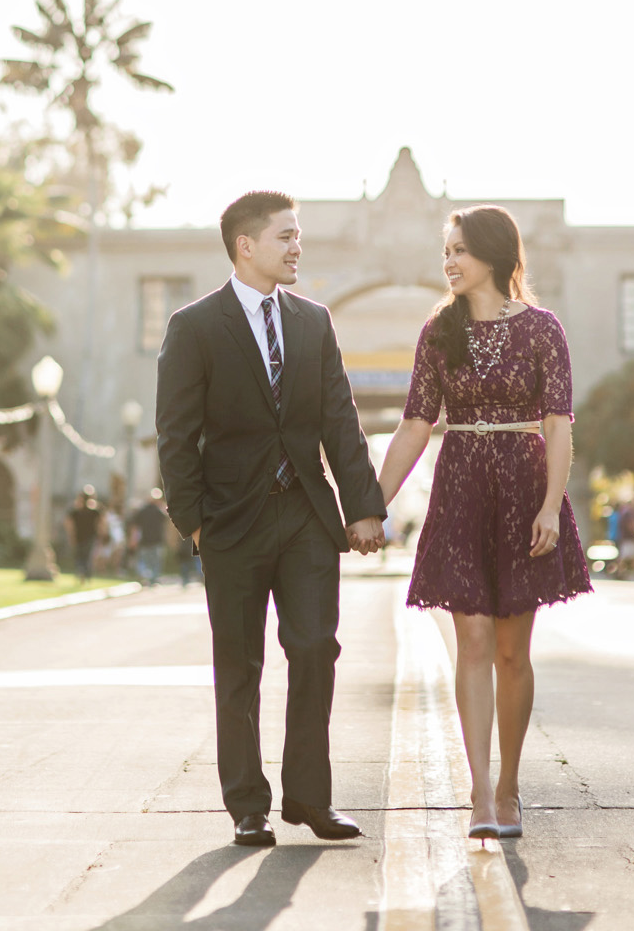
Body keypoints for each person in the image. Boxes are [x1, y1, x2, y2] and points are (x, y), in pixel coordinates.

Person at [156, 190, 386, 849]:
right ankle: (247, 806)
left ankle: (310, 800)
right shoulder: (195, 325)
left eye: (299, 235)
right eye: (285, 236)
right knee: (240, 667)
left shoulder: (314, 321)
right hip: (231, 524)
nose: (297, 247)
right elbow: (175, 435)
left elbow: (341, 418)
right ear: (246, 245)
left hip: (308, 520)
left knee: (315, 648)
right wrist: (194, 522)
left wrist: (363, 505)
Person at [377, 205, 591, 843]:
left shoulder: (542, 330)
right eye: (446, 249)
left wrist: (552, 503)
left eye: (461, 249)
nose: (449, 261)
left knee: (510, 651)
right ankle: (478, 795)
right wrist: (370, 502)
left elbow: (558, 423)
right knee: (470, 645)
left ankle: (510, 787)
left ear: (495, 255)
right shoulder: (438, 332)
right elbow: (416, 422)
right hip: (463, 488)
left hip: (525, 492)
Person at [130, 488, 169, 586]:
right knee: (154, 561)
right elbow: (168, 518)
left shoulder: (142, 510)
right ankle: (152, 579)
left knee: (146, 561)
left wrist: (133, 539)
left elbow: (135, 527)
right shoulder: (160, 511)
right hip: (156, 540)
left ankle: (146, 578)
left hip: (146, 540)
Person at [66, 486, 102, 583]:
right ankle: (86, 574)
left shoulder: (76, 511)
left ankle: (81, 572)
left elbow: (69, 525)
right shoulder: (95, 511)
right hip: (90, 537)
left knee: (80, 556)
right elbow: (100, 525)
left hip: (80, 537)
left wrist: (71, 536)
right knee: (87, 557)